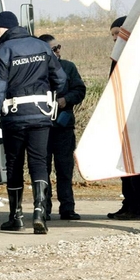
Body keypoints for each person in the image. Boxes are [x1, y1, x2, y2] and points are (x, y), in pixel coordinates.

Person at [0, 11, 66, 235]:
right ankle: (40, 213)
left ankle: (16, 217)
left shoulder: (2, 51)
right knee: (39, 163)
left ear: (7, 28)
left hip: (14, 116)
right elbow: (60, 79)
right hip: (41, 114)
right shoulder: (41, 46)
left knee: (14, 164)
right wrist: (48, 93)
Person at [38, 34, 86, 221]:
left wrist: (66, 100)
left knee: (65, 169)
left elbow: (80, 90)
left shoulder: (68, 67)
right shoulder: (36, 70)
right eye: (53, 48)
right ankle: (44, 208)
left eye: (58, 47)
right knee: (43, 169)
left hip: (64, 125)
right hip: (42, 127)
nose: (58, 51)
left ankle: (67, 208)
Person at [106, 16, 140, 220]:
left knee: (137, 168)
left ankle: (138, 207)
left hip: (138, 121)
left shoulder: (139, 54)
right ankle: (129, 204)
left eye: (118, 33)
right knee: (125, 167)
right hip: (122, 120)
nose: (116, 38)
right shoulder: (119, 56)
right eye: (113, 34)